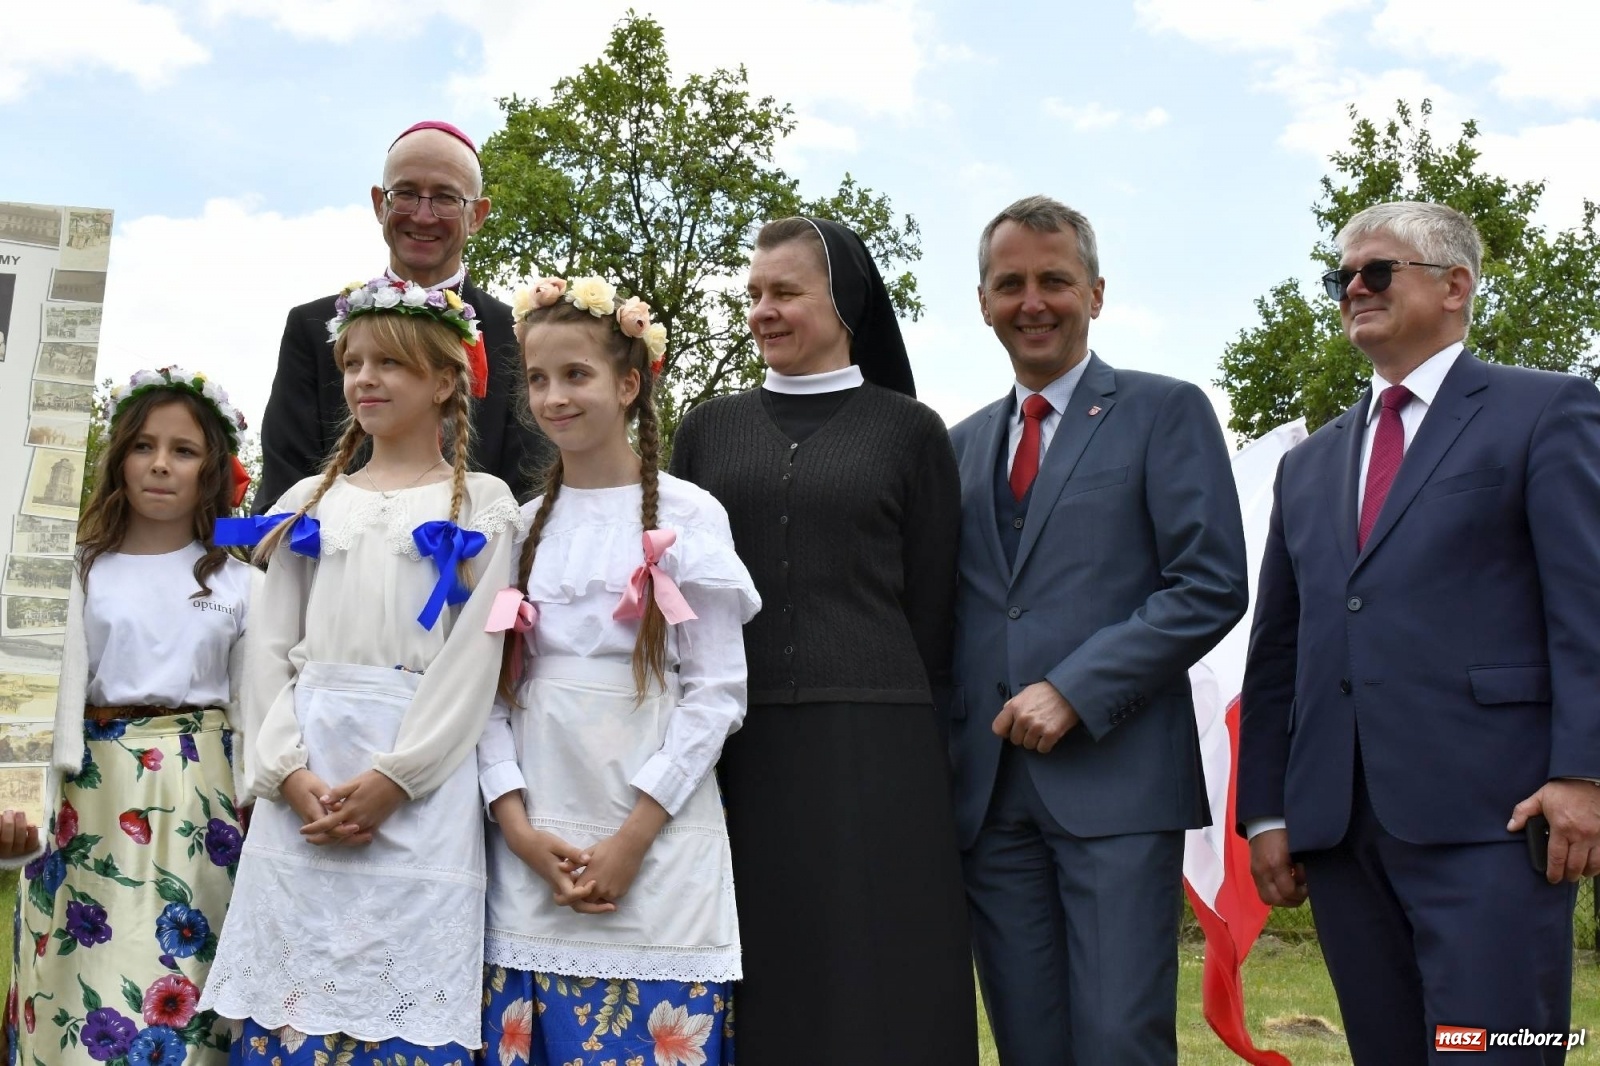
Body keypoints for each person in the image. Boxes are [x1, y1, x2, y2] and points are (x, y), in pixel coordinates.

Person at [1239, 201, 1600, 1064]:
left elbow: (1586, 605)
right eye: (1341, 277)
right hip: (1340, 832)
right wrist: (1265, 814)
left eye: (1376, 271)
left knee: (1495, 1051)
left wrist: (1582, 773)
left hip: (1496, 825)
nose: (1352, 289)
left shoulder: (1546, 412)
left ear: (1455, 286)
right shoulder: (1309, 463)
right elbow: (1280, 651)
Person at [949, 195, 1248, 1065]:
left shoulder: (1165, 411)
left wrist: (1076, 689)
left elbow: (1209, 584)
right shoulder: (958, 445)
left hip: (1117, 789)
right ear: (982, 302)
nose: (1032, 301)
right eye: (1011, 284)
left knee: (1120, 1041)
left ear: (1097, 293)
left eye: (1055, 280)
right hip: (990, 800)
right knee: (1027, 1045)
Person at [670, 217, 976, 1065]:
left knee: (883, 965)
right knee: (763, 958)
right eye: (754, 294)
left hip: (881, 740)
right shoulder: (706, 431)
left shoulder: (909, 431)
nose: (763, 311)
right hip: (737, 738)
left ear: (845, 303)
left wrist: (926, 736)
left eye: (786, 292)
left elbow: (934, 606)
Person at [198, 276, 521, 1062]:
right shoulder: (312, 499)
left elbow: (475, 661)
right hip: (307, 778)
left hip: (419, 785)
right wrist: (285, 771)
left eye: (392, 365)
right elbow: (270, 652)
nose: (365, 380)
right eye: (354, 363)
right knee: (291, 1015)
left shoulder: (481, 503)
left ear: (446, 381)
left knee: (404, 1018)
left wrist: (398, 778)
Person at [476, 275, 758, 1065]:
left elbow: (717, 692)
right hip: (536, 848)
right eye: (537, 378)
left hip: (656, 846)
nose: (554, 396)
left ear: (629, 383)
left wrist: (634, 838)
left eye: (577, 375)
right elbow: (486, 698)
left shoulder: (689, 515)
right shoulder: (519, 527)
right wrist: (519, 828)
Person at [2, 366, 255, 1065]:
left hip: (197, 805)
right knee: (70, 999)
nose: (160, 465)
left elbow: (260, 714)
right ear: (119, 457)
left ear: (210, 469)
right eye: (143, 446)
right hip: (88, 799)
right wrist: (20, 798)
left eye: (183, 450)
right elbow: (34, 698)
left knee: (177, 999)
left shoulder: (242, 584)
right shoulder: (75, 571)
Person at [253, 120, 546, 510]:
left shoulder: (517, 335)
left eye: (445, 198)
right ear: (380, 203)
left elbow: (533, 488)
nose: (423, 217)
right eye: (406, 194)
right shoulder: (311, 329)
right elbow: (286, 486)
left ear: (477, 215)